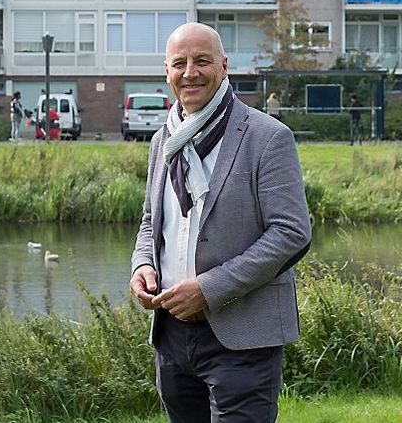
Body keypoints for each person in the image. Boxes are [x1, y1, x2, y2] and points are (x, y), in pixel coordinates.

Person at [129, 22, 312, 423]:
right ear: (166, 71)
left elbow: (292, 233)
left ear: (224, 66)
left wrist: (209, 289)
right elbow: (150, 222)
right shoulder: (164, 140)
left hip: (243, 337)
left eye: (202, 61)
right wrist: (143, 265)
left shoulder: (268, 136)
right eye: (180, 63)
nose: (190, 72)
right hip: (173, 336)